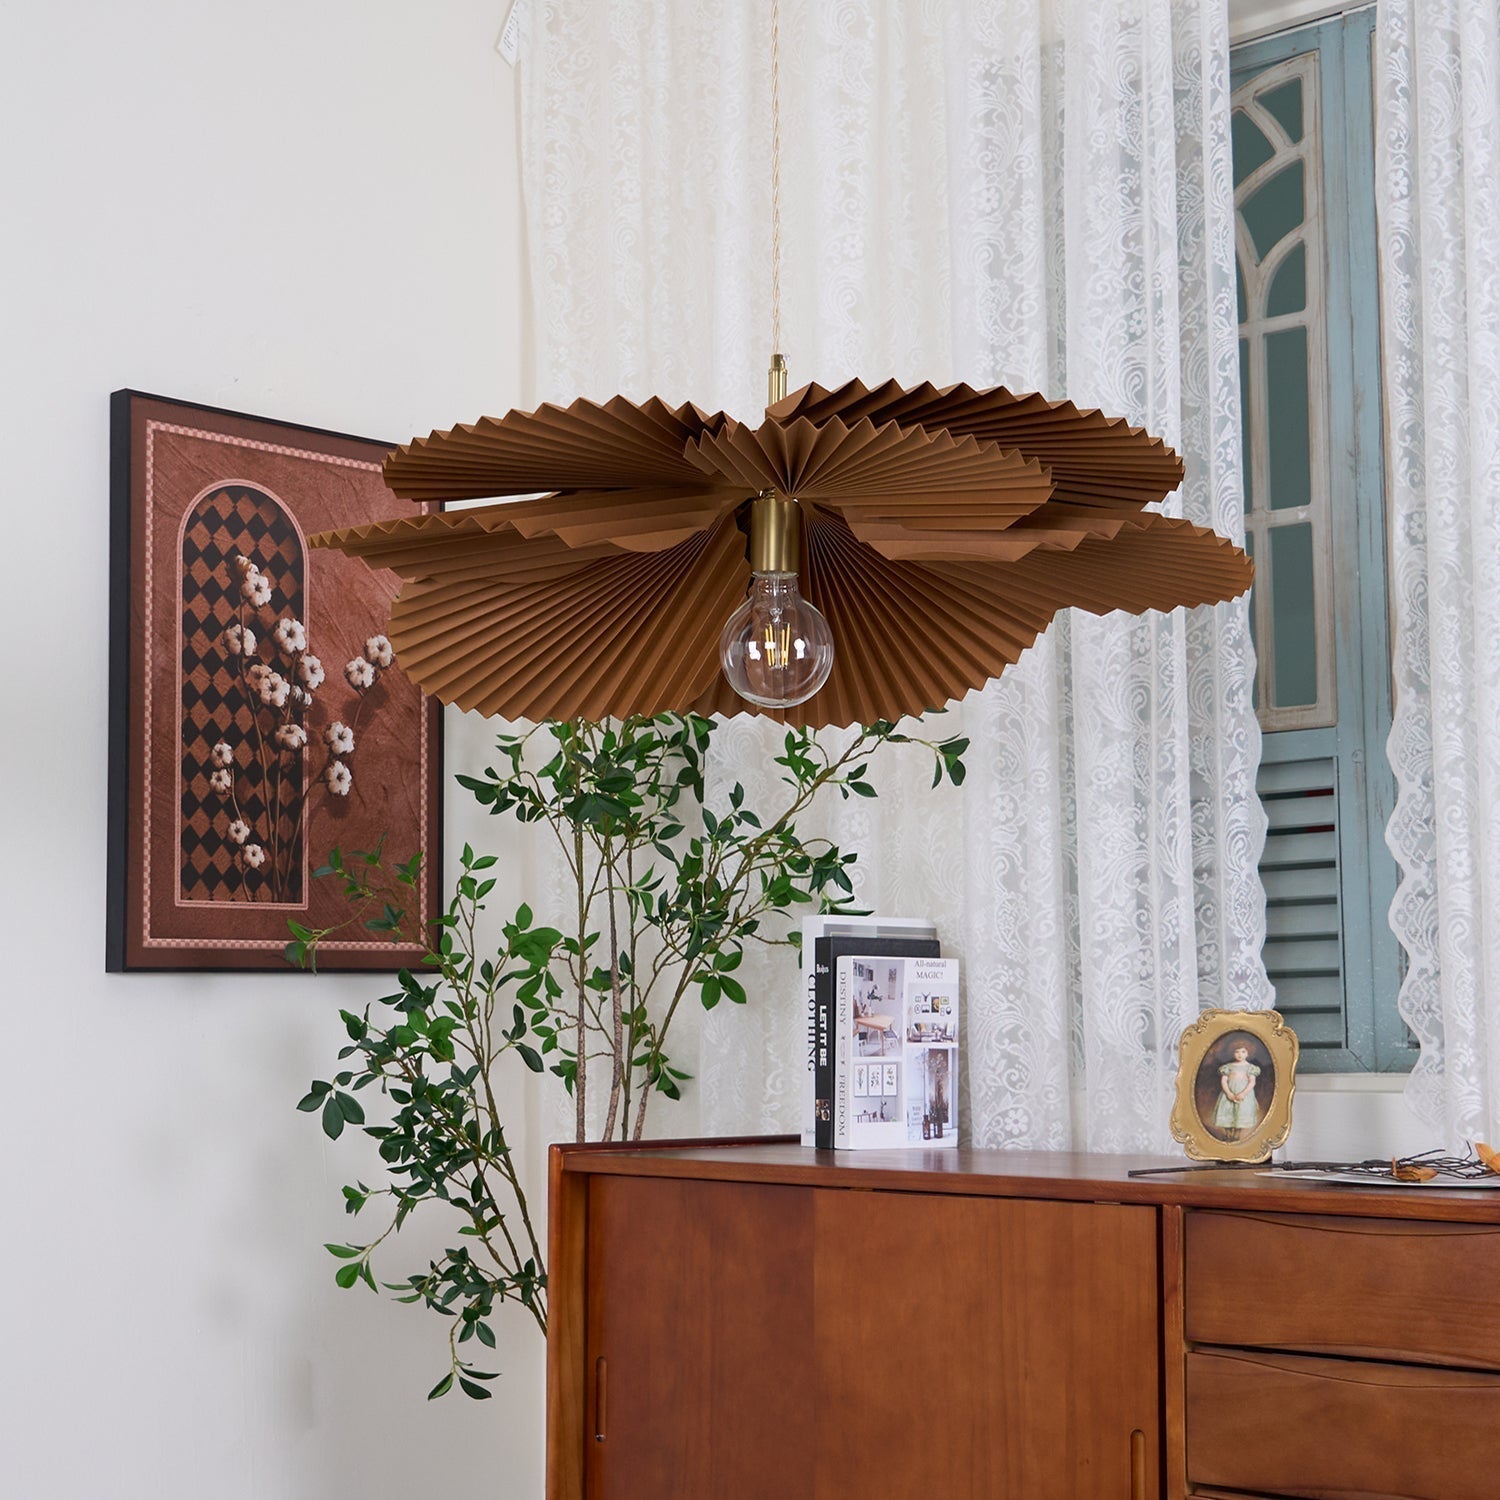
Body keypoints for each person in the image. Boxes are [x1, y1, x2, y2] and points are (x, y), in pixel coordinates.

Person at [1211, 1043, 1261, 1140]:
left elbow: (1252, 1082)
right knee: (1228, 1113)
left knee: (1240, 1114)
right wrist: (1229, 1093)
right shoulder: (1228, 1067)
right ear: (1232, 1053)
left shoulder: (1250, 1068)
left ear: (1248, 1053)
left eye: (1243, 1052)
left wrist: (1243, 1093)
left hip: (1244, 1095)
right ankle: (1228, 1134)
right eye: (1237, 1052)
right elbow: (1224, 1081)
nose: (1240, 1054)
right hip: (1229, 1094)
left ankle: (1237, 1136)